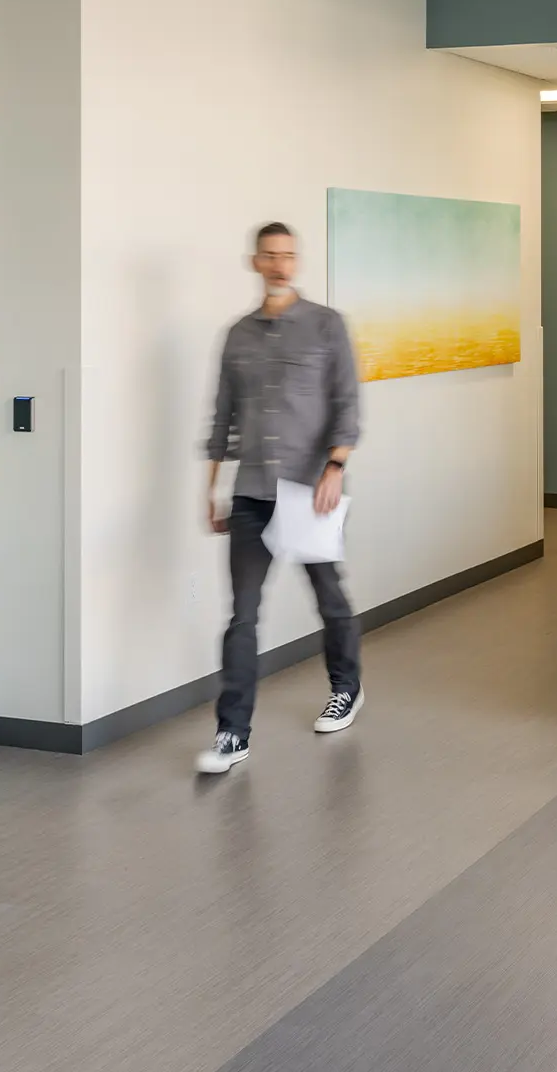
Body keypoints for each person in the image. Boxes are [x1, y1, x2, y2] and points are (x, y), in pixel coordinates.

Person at [196, 221, 362, 775]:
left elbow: (346, 404)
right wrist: (213, 488)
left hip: (309, 488)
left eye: (289, 256)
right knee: (242, 615)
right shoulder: (238, 335)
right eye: (270, 256)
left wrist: (336, 465)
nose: (280, 265)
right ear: (254, 262)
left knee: (329, 598)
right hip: (251, 492)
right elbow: (223, 419)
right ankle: (232, 733)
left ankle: (346, 687)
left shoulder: (325, 326)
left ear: (297, 261)